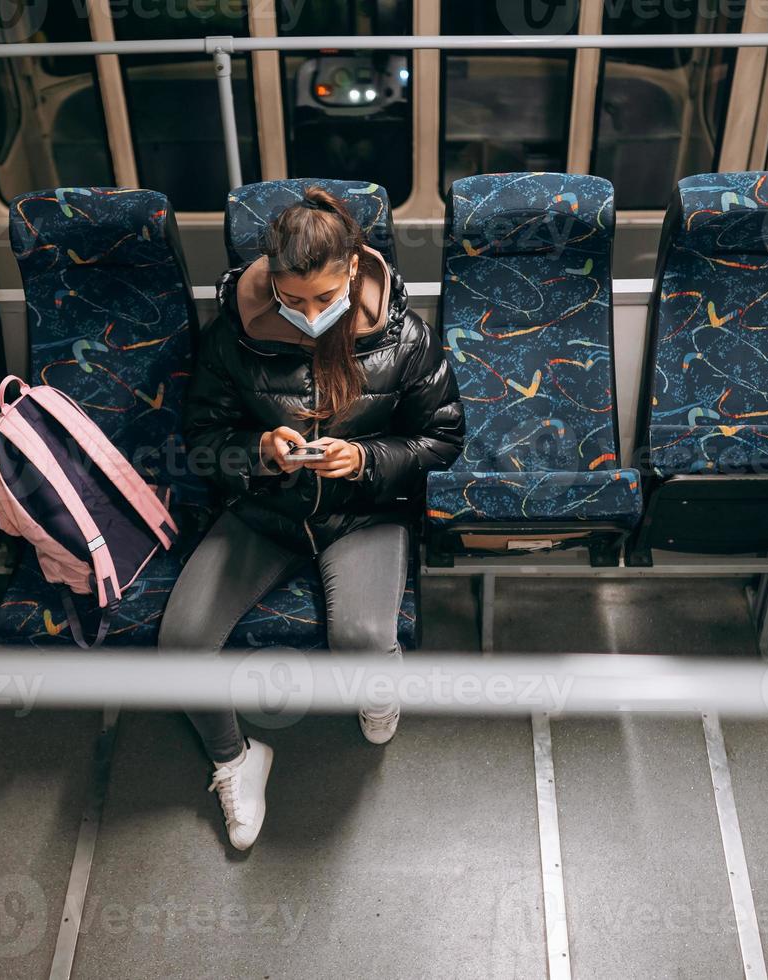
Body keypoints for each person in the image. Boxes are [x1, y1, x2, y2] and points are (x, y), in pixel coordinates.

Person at [158, 187, 464, 850]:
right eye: (292, 301)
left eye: (325, 300)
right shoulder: (234, 337)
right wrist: (260, 453)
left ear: (353, 270)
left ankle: (378, 692)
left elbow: (441, 439)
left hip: (364, 512)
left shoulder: (404, 338)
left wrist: (361, 459)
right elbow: (203, 438)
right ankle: (237, 760)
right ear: (271, 282)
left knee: (360, 639)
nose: (308, 315)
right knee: (180, 645)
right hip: (266, 509)